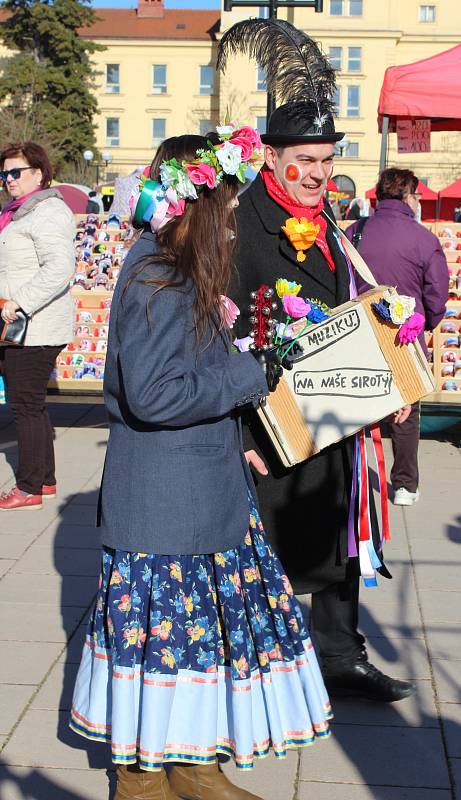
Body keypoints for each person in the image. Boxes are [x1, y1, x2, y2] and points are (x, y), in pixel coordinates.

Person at [69, 131, 332, 800]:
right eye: (228, 201)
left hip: (196, 493)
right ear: (199, 203)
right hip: (167, 505)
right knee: (164, 644)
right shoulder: (160, 273)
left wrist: (244, 399)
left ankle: (190, 763)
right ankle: (144, 779)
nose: (236, 215)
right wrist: (251, 373)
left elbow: (186, 372)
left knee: (195, 644)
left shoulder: (175, 266)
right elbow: (155, 394)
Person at [221, 18, 415, 704]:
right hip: (267, 426)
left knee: (340, 541)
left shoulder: (329, 218)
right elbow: (226, 331)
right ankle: (259, 672)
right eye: (304, 160)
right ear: (271, 159)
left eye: (328, 160)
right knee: (268, 555)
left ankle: (338, 655)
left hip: (330, 415)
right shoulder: (240, 224)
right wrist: (247, 432)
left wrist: (385, 376)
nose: (317, 174)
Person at [347, 169, 448, 507]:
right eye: (417, 196)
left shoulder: (355, 232)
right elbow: (437, 292)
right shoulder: (424, 239)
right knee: (408, 413)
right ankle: (404, 484)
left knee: (359, 403)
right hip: (406, 335)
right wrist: (428, 323)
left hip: (360, 332)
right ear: (408, 196)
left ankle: (352, 474)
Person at [0, 142, 75, 511]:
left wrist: (20, 301)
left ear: (39, 174)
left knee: (24, 404)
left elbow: (59, 268)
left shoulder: (47, 212)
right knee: (33, 404)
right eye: (4, 173)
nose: (8, 179)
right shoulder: (20, 213)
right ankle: (43, 480)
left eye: (16, 172)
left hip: (33, 325)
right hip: (22, 325)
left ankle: (28, 486)